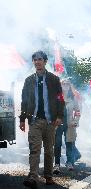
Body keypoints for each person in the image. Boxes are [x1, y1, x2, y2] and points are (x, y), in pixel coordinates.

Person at [19, 51, 65, 188]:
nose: (37, 62)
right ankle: (33, 176)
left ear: (45, 61)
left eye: (40, 59)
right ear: (33, 62)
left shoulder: (54, 79)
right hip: (34, 121)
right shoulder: (28, 80)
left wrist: (60, 116)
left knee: (49, 151)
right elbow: (24, 101)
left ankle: (48, 176)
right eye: (35, 60)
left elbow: (60, 99)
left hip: (50, 121)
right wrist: (22, 119)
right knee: (34, 149)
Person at [53, 79, 81, 174]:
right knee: (57, 144)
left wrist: (75, 121)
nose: (65, 85)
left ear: (70, 86)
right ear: (61, 85)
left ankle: (69, 163)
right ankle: (56, 165)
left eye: (67, 84)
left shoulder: (73, 98)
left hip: (69, 124)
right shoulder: (56, 97)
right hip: (58, 124)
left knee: (69, 144)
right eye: (63, 84)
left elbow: (77, 111)